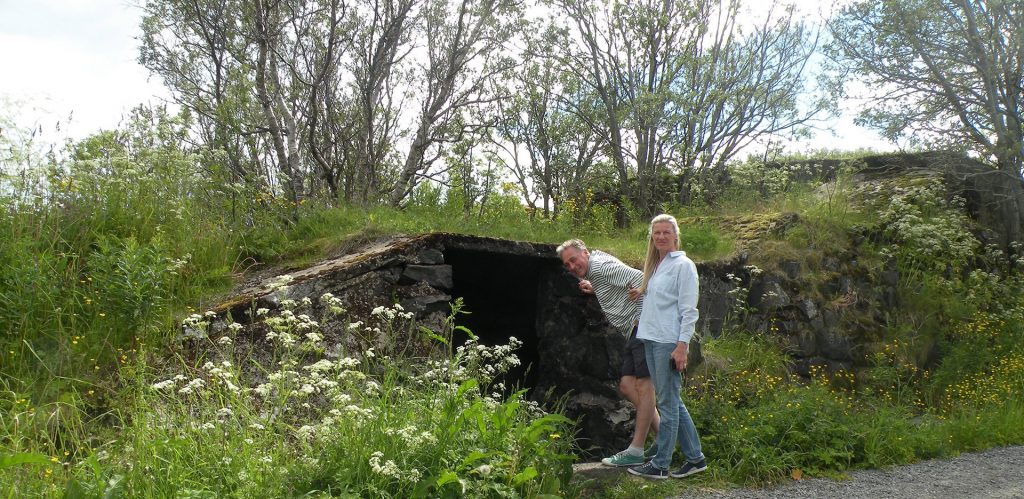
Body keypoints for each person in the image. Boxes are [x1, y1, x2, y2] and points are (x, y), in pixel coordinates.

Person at [556, 239, 660, 467]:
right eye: (567, 265)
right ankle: (664, 439)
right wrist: (596, 289)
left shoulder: (601, 267)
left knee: (643, 386)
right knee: (627, 386)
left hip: (643, 325)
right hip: (638, 328)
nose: (572, 267)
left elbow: (644, 280)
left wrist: (641, 304)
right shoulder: (597, 271)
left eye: (574, 259)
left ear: (584, 252)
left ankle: (636, 448)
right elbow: (620, 283)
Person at [626, 214, 708, 480]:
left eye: (665, 232)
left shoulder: (683, 265)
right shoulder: (658, 265)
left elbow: (688, 310)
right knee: (673, 401)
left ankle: (661, 464)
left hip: (668, 342)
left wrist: (682, 346)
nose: (660, 236)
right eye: (656, 232)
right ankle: (695, 458)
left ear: (675, 235)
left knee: (668, 405)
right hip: (650, 338)